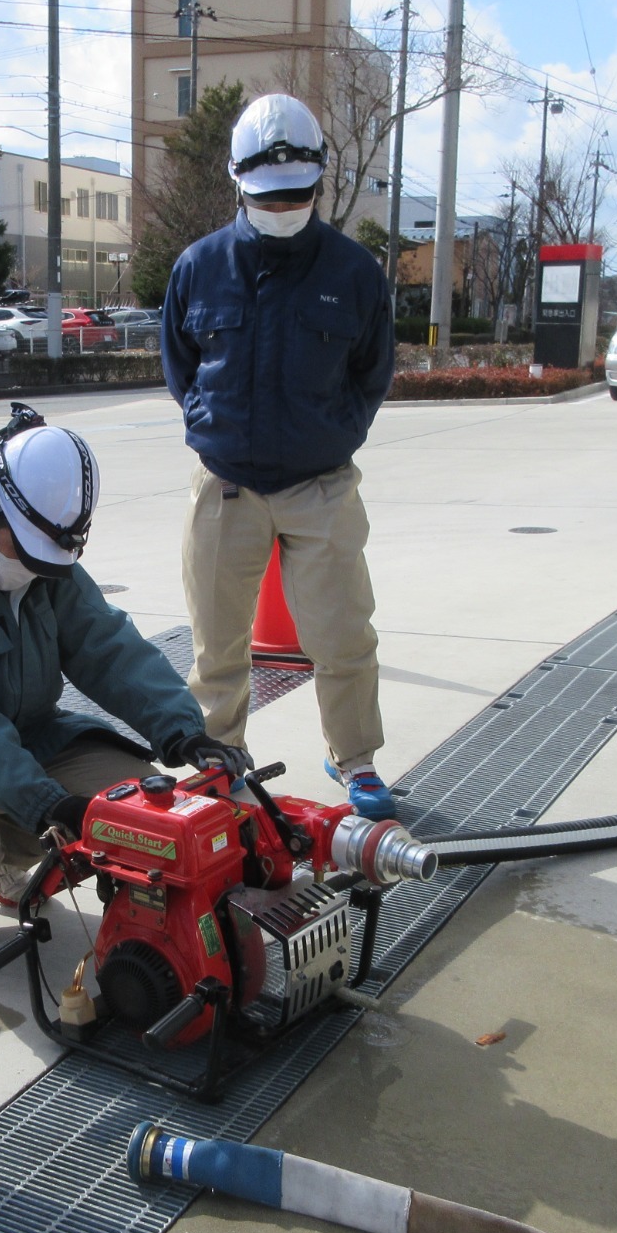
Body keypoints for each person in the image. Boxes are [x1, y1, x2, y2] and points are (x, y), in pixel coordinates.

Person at [0, 404, 250, 945]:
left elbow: (108, 647)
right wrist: (45, 803)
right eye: (21, 550)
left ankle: (7, 855)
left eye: (43, 561)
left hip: (26, 732)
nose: (29, 569)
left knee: (131, 805)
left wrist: (183, 730)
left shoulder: (47, 559)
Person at [160, 93, 400, 819]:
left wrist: (334, 435)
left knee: (343, 633)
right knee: (216, 642)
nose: (284, 206)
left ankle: (354, 757)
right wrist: (212, 424)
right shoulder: (199, 267)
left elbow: (372, 373)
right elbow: (180, 365)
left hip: (320, 486)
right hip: (226, 482)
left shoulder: (354, 272)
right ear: (238, 181)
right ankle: (218, 762)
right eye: (270, 195)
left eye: (297, 193)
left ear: (320, 179)